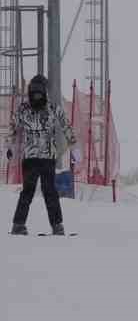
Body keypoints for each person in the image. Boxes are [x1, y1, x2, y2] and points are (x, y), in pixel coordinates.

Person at [9, 74, 74, 235]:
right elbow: (13, 128)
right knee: (28, 191)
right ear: (30, 93)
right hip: (31, 158)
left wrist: (74, 145)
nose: (36, 97)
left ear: (44, 93)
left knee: (49, 191)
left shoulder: (52, 108)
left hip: (47, 158)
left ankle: (57, 225)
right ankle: (18, 224)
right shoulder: (24, 109)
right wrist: (9, 146)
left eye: (39, 93)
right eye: (34, 93)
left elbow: (66, 125)